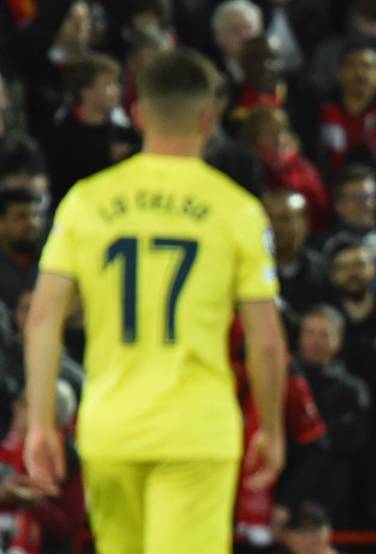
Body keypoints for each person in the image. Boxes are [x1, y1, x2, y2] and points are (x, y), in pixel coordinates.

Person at [21, 49, 287, 552]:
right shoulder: (237, 210)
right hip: (196, 429)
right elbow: (267, 341)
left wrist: (39, 423)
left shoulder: (86, 200)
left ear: (138, 113)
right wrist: (270, 427)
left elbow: (41, 318)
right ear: (208, 118)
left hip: (110, 428)